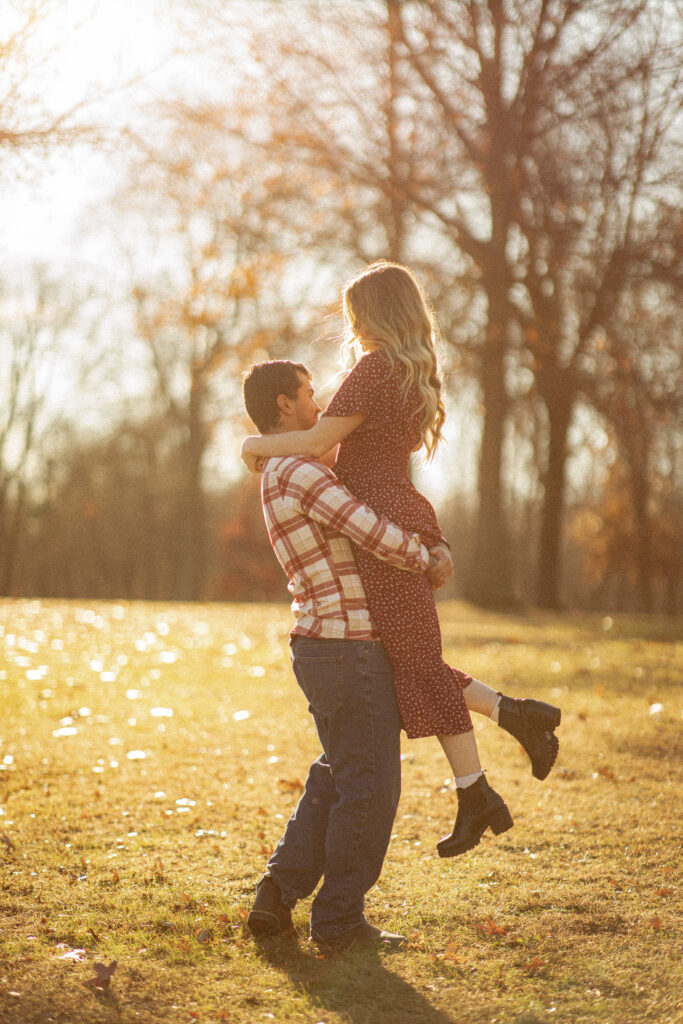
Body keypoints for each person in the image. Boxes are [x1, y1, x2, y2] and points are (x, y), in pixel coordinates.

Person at [242, 261, 561, 860]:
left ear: (375, 313)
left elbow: (316, 444)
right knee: (413, 658)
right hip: (401, 508)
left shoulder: (372, 369)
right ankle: (511, 727)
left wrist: (255, 444)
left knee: (415, 664)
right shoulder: (412, 373)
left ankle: (481, 783)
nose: (352, 325)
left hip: (385, 520)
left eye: (356, 313)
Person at [242, 358, 449, 952]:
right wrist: (426, 556)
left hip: (323, 644)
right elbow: (367, 528)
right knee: (371, 788)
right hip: (347, 645)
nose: (320, 404)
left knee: (339, 775)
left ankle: (276, 894)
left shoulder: (279, 467)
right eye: (309, 394)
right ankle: (338, 922)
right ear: (285, 404)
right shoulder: (298, 472)